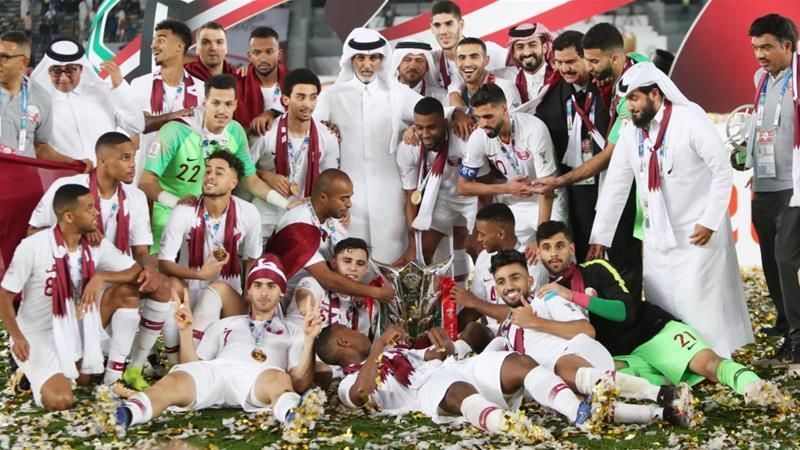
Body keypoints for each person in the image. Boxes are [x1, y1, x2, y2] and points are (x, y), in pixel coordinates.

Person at [590, 63, 753, 358]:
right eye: (625, 102)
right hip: (657, 236)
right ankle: (677, 360)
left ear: (655, 94)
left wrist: (710, 221)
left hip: (698, 233)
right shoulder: (631, 131)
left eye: (635, 100)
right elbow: (616, 184)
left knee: (699, 304)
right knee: (662, 301)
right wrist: (600, 236)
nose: (629, 108)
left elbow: (721, 173)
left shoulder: (690, 120)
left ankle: (713, 362)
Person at [534, 220, 787, 409]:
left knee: (707, 365)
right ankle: (668, 384)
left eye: (559, 246)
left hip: (652, 332)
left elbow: (624, 312)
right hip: (622, 355)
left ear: (572, 247)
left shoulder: (596, 269)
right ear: (539, 253)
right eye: (546, 248)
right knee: (593, 379)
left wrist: (573, 296)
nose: (554, 253)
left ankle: (757, 389)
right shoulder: (545, 295)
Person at [114, 254, 327, 439]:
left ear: (281, 292)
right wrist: (185, 331)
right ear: (249, 291)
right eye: (258, 285)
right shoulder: (224, 325)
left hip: (259, 378)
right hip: (218, 370)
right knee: (175, 379)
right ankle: (127, 414)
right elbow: (194, 365)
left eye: (271, 286)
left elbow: (299, 381)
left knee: (280, 379)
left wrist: (309, 341)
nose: (264, 292)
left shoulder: (292, 330)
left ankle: (292, 416)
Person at [27, 132, 173, 385]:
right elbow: (33, 233)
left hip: (116, 276)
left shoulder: (135, 198)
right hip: (73, 283)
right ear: (103, 161)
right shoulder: (69, 189)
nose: (132, 165)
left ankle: (131, 369)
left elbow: (141, 252)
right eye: (125, 158)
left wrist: (148, 269)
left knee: (162, 286)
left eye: (134, 157)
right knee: (81, 379)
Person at [490, 249, 694, 427]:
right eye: (501, 281)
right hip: (559, 381)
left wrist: (535, 323)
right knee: (583, 404)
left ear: (530, 280)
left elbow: (586, 330)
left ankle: (662, 393)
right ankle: (665, 413)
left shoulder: (547, 300)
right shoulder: (507, 328)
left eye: (515, 277)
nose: (509, 285)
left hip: (581, 356)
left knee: (561, 368)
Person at [315, 323, 609, 437]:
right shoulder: (347, 381)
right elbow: (362, 394)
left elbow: (429, 358)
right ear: (344, 341)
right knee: (456, 390)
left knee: (519, 363)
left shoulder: (395, 351)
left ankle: (578, 412)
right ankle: (514, 429)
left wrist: (443, 347)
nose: (358, 332)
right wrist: (378, 346)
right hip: (429, 391)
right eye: (350, 331)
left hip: (456, 367)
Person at [0, 184, 144, 409]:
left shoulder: (95, 244)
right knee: (60, 400)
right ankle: (26, 371)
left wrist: (101, 277)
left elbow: (135, 272)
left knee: (127, 293)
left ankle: (113, 376)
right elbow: (5, 295)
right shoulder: (33, 247)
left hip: (77, 325)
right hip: (38, 334)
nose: (96, 212)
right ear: (68, 216)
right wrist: (17, 336)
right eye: (89, 208)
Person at [532, 23, 646, 300]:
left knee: (620, 253)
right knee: (584, 253)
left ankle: (627, 312)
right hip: (577, 191)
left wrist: (561, 180)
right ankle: (591, 313)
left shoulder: (613, 89)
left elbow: (614, 150)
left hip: (616, 186)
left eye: (572, 61)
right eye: (558, 63)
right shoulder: (552, 96)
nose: (565, 69)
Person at [138, 73, 286, 253]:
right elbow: (146, 182)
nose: (222, 111)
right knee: (169, 278)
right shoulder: (176, 130)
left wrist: (287, 204)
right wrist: (178, 203)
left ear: (235, 105)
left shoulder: (235, 130)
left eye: (228, 104)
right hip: (171, 215)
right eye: (215, 103)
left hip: (215, 220)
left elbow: (250, 180)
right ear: (204, 102)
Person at [312, 28, 424, 264]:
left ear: (382, 60)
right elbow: (313, 130)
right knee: (350, 257)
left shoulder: (399, 94)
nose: (367, 64)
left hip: (390, 193)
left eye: (373, 58)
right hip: (348, 195)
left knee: (391, 253)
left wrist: (417, 127)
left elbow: (434, 113)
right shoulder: (332, 96)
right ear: (351, 60)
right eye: (360, 58)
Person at [155, 151, 262, 369]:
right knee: (171, 286)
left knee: (218, 287)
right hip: (190, 293)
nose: (210, 176)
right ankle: (175, 363)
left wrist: (248, 294)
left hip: (226, 299)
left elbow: (252, 260)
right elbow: (164, 263)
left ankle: (189, 364)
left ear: (233, 182)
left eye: (219, 172)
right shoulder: (185, 211)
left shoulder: (248, 212)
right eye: (208, 171)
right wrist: (199, 274)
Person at [742, 14, 800, 364]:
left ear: (788, 46)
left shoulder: (798, 80)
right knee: (770, 259)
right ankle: (784, 319)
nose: (759, 55)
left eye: (766, 47)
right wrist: (747, 159)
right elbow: (760, 124)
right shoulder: (762, 79)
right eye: (755, 47)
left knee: (785, 259)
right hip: (763, 182)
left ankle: (797, 340)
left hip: (793, 186)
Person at [457, 84, 564, 250]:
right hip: (515, 201)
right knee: (501, 251)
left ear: (504, 109)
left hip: (548, 199)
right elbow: (463, 186)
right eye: (478, 118)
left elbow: (547, 188)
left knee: (551, 251)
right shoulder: (479, 136)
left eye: (488, 116)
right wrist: (506, 188)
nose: (483, 124)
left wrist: (541, 237)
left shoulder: (534, 129)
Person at [266, 169, 394, 303]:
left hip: (324, 294)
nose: (349, 204)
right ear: (323, 197)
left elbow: (347, 257)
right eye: (343, 199)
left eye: (350, 197)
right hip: (289, 297)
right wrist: (375, 292)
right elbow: (326, 278)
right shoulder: (298, 224)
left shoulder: (332, 219)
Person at [395, 96, 476, 290]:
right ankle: (424, 308)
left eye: (431, 127)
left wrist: (480, 224)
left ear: (444, 122)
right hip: (443, 201)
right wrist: (413, 242)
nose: (425, 134)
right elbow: (411, 197)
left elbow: (485, 180)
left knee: (479, 248)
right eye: (420, 127)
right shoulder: (409, 147)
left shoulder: (463, 137)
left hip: (472, 198)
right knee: (420, 253)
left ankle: (481, 304)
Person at [250, 68, 340, 240]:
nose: (308, 104)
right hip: (266, 217)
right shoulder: (266, 132)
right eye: (300, 97)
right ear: (285, 99)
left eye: (313, 97)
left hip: (305, 216)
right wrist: (266, 176)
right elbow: (243, 172)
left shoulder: (327, 136)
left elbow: (330, 181)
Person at [30, 38, 142, 164]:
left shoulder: (103, 92)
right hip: (62, 177)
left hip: (104, 177)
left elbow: (136, 126)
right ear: (48, 71)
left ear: (81, 69)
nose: (63, 77)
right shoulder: (40, 102)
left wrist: (119, 86)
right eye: (56, 71)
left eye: (70, 70)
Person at [129, 19, 204, 183]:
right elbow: (138, 125)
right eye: (154, 41)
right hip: (145, 177)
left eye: (161, 40)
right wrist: (173, 117)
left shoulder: (201, 90)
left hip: (185, 180)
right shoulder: (139, 85)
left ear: (179, 46)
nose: (153, 45)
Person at [0, 31, 88, 167]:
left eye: (5, 57)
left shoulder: (41, 98)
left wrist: (74, 163)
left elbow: (41, 148)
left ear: (23, 62)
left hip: (22, 179)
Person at [449, 203, 537, 333]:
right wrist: (448, 332)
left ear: (501, 234)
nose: (478, 239)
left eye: (482, 234)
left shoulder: (531, 259)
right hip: (491, 332)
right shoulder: (484, 257)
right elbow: (474, 308)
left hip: (523, 330)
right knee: (472, 331)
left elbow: (524, 312)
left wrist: (474, 302)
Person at [292, 238, 378, 337]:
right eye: (347, 261)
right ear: (334, 263)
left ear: (366, 269)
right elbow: (304, 294)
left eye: (360, 264)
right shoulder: (315, 283)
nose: (353, 268)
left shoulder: (361, 310)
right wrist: (308, 309)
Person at [428, 1, 506, 91]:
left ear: (461, 24)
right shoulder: (431, 62)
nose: (443, 31)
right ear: (432, 28)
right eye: (437, 25)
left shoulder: (492, 51)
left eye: (449, 23)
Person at [234, 26, 287, 137]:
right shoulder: (236, 83)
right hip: (248, 150)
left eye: (269, 52)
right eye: (257, 53)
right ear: (249, 56)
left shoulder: (295, 82)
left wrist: (273, 113)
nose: (263, 58)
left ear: (279, 55)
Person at [447, 38, 521, 110]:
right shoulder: (456, 94)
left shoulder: (505, 88)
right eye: (462, 58)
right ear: (456, 62)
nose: (467, 64)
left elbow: (516, 121)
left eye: (474, 57)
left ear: (486, 60)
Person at [495, 22, 554, 104]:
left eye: (532, 45)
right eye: (520, 47)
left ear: (545, 48)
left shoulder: (559, 76)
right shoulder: (510, 83)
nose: (526, 53)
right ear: (514, 54)